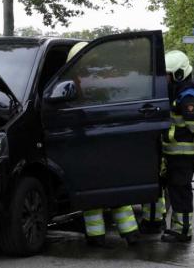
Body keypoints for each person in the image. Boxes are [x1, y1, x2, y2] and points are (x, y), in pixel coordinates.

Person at [66, 42, 141, 247]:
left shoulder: (76, 81)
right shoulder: (106, 77)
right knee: (115, 189)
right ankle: (130, 233)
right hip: (109, 139)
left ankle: (96, 237)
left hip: (89, 142)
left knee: (91, 192)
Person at [157, 50, 194, 243]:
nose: (166, 79)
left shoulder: (188, 97)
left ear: (179, 74)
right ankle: (177, 228)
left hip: (184, 155)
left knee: (180, 191)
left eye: (168, 75)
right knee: (175, 189)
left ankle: (183, 231)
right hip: (174, 154)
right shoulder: (177, 94)